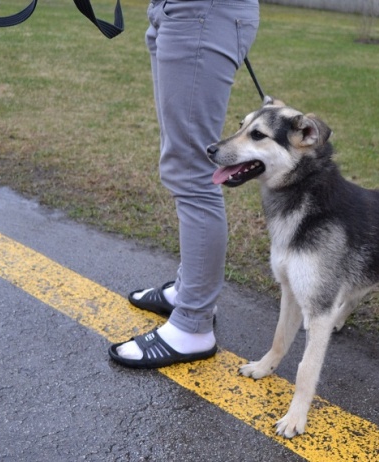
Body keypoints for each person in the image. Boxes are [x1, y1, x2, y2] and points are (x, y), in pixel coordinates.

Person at [108, 0, 260, 368]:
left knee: (192, 172)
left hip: (201, 12)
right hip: (176, 11)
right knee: (182, 160)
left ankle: (193, 323)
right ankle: (189, 291)